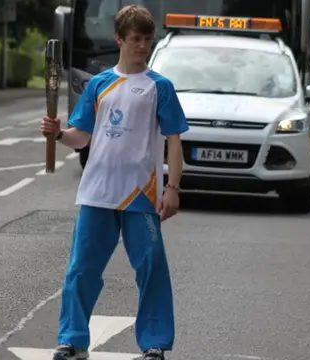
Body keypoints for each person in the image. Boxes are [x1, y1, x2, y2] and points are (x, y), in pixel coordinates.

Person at [40, 5, 188, 360]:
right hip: (97, 192)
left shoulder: (160, 87)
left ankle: (154, 343)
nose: (141, 46)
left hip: (140, 193)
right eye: (135, 39)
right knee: (82, 269)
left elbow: (174, 141)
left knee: (151, 268)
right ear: (120, 39)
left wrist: (172, 189)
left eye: (147, 40)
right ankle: (73, 340)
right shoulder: (99, 85)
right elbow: (81, 137)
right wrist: (59, 133)